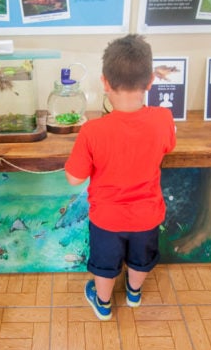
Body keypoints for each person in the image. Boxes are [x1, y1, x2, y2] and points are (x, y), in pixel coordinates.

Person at [64, 34, 176, 320]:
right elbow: (169, 145)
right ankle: (133, 295)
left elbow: (74, 179)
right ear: (150, 81)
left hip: (108, 219)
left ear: (104, 82)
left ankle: (103, 304)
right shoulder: (164, 118)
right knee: (141, 259)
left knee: (105, 264)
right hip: (147, 215)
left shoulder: (92, 131)